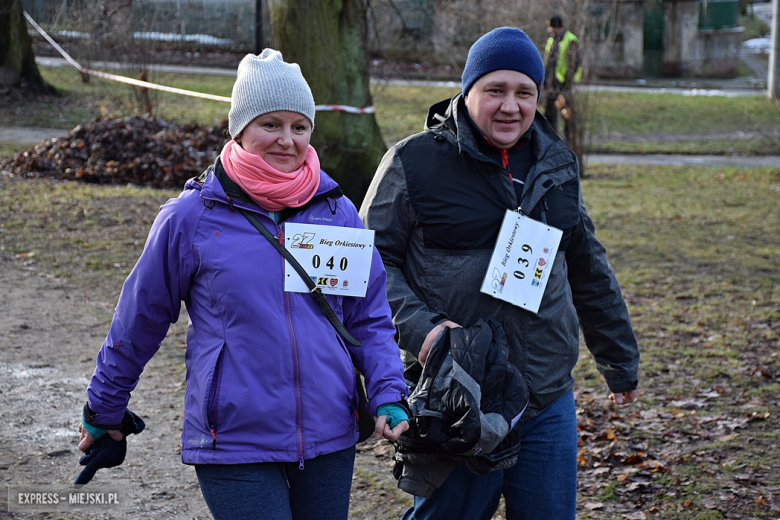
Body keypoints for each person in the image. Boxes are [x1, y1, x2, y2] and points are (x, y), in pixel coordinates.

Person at [76, 48, 410, 520]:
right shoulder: (190, 218)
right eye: (270, 124)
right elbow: (138, 321)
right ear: (239, 129)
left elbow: (368, 319)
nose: (287, 140)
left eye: (299, 126)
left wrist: (388, 394)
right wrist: (105, 408)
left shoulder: (338, 213)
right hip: (233, 440)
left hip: (329, 435)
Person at [360, 27, 639, 520]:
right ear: (467, 93)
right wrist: (424, 333)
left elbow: (587, 266)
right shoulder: (412, 162)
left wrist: (618, 360)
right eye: (495, 90)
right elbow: (370, 264)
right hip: (459, 391)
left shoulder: (556, 165)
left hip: (545, 393)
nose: (510, 106)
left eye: (524, 92)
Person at [543, 15, 582, 144]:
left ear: (555, 27)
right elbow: (548, 61)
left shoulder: (570, 40)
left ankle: (568, 138)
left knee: (566, 112)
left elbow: (574, 63)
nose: (549, 30)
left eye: (551, 27)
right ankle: (550, 138)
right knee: (549, 111)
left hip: (563, 82)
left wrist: (567, 83)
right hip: (551, 81)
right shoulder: (552, 40)